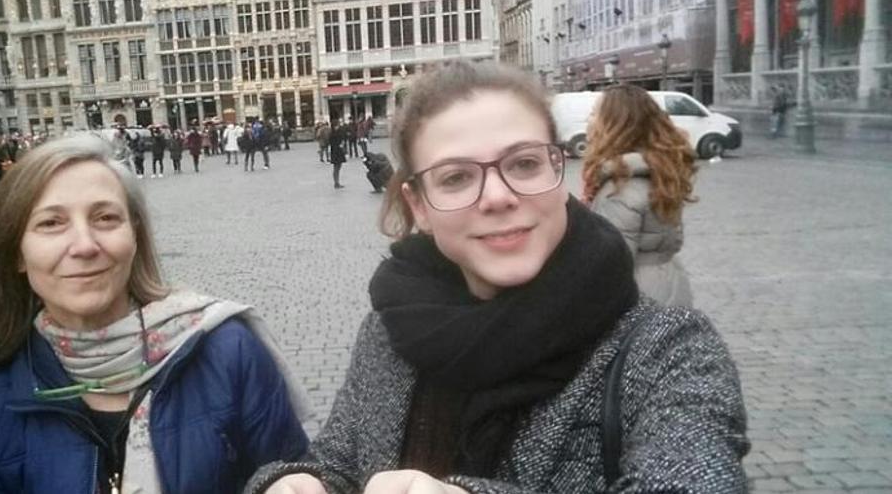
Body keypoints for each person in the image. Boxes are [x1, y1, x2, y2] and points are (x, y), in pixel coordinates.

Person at [249, 61, 748, 493]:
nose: (496, 196)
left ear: (560, 171)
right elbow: (338, 461)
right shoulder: (388, 330)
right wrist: (294, 480)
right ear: (418, 207)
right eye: (456, 177)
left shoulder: (669, 350)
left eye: (524, 163)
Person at [0, 134, 310, 493]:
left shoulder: (229, 352)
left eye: (105, 218)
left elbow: (290, 471)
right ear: (18, 252)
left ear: (135, 236)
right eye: (51, 223)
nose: (84, 245)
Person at [583, 84, 697, 308]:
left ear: (615, 124)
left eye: (594, 113)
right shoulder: (659, 173)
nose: (588, 120)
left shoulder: (620, 190)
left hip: (637, 299)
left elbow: (611, 270)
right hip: (668, 284)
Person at [327, 121, 348, 189]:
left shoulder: (337, 132)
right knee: (336, 168)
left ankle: (337, 182)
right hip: (336, 152)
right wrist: (340, 145)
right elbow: (332, 143)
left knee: (338, 167)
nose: (337, 127)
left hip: (337, 152)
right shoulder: (333, 134)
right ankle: (336, 183)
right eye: (336, 125)